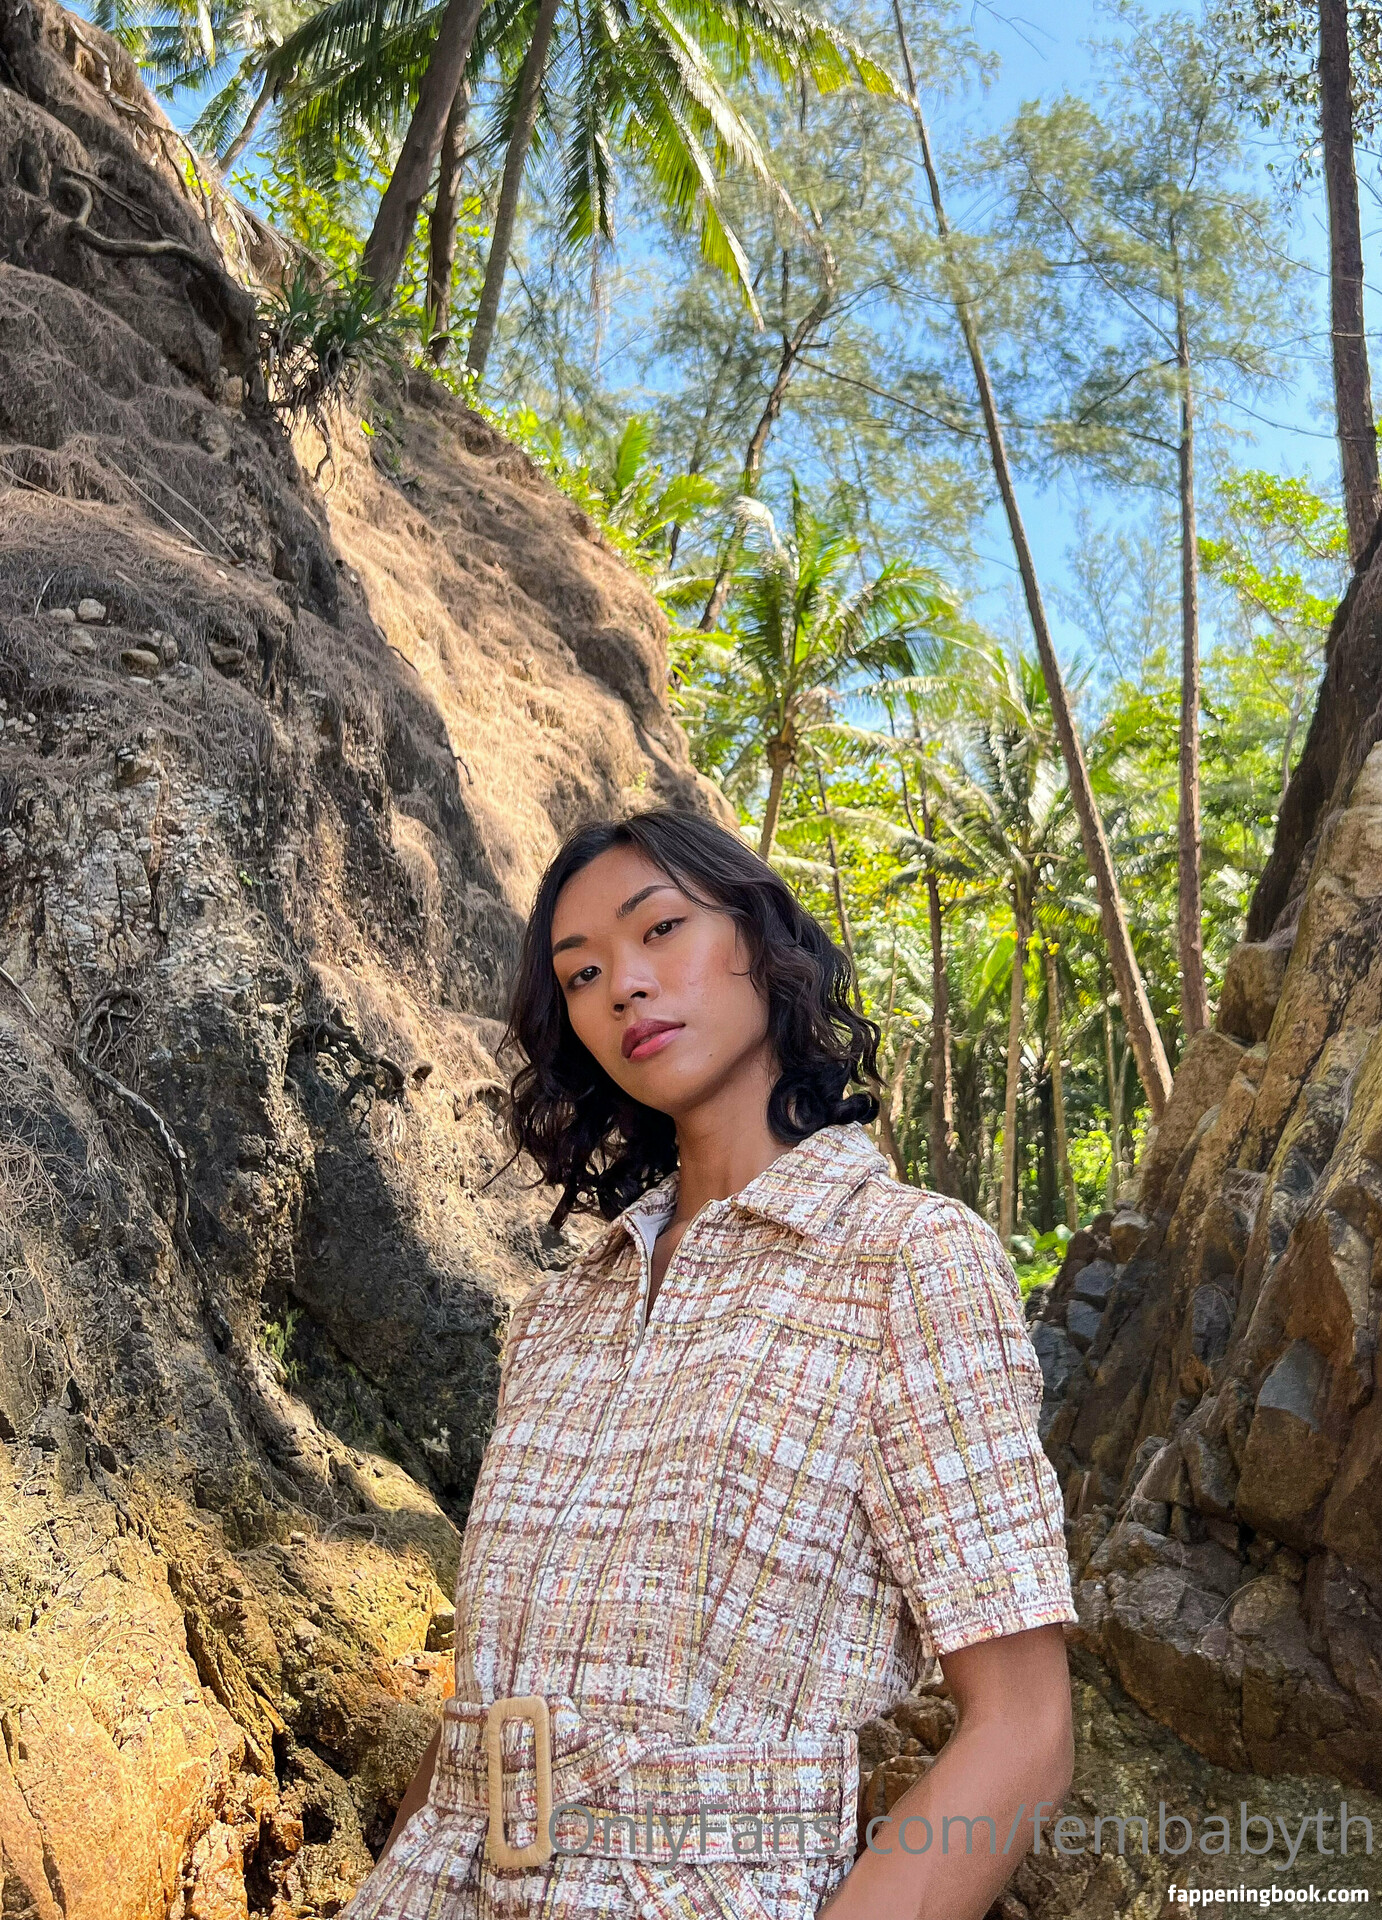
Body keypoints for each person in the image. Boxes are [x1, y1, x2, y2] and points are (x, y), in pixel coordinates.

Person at [341, 806, 1077, 1920]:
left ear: (760, 938)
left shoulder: (905, 1260)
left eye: (659, 930)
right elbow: (484, 1713)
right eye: (581, 975)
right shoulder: (557, 1317)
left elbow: (1023, 1730)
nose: (623, 987)